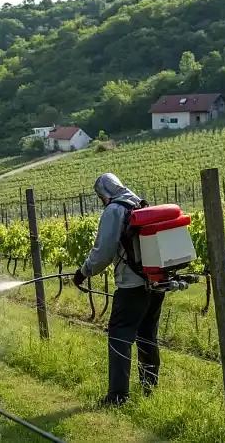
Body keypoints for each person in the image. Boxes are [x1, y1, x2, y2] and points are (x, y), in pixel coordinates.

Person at [72, 173, 163, 406]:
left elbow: (103, 252)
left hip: (131, 285)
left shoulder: (114, 210)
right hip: (155, 281)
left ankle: (117, 397)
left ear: (104, 193)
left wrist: (83, 272)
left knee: (120, 335)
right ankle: (150, 388)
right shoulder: (139, 203)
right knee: (147, 335)